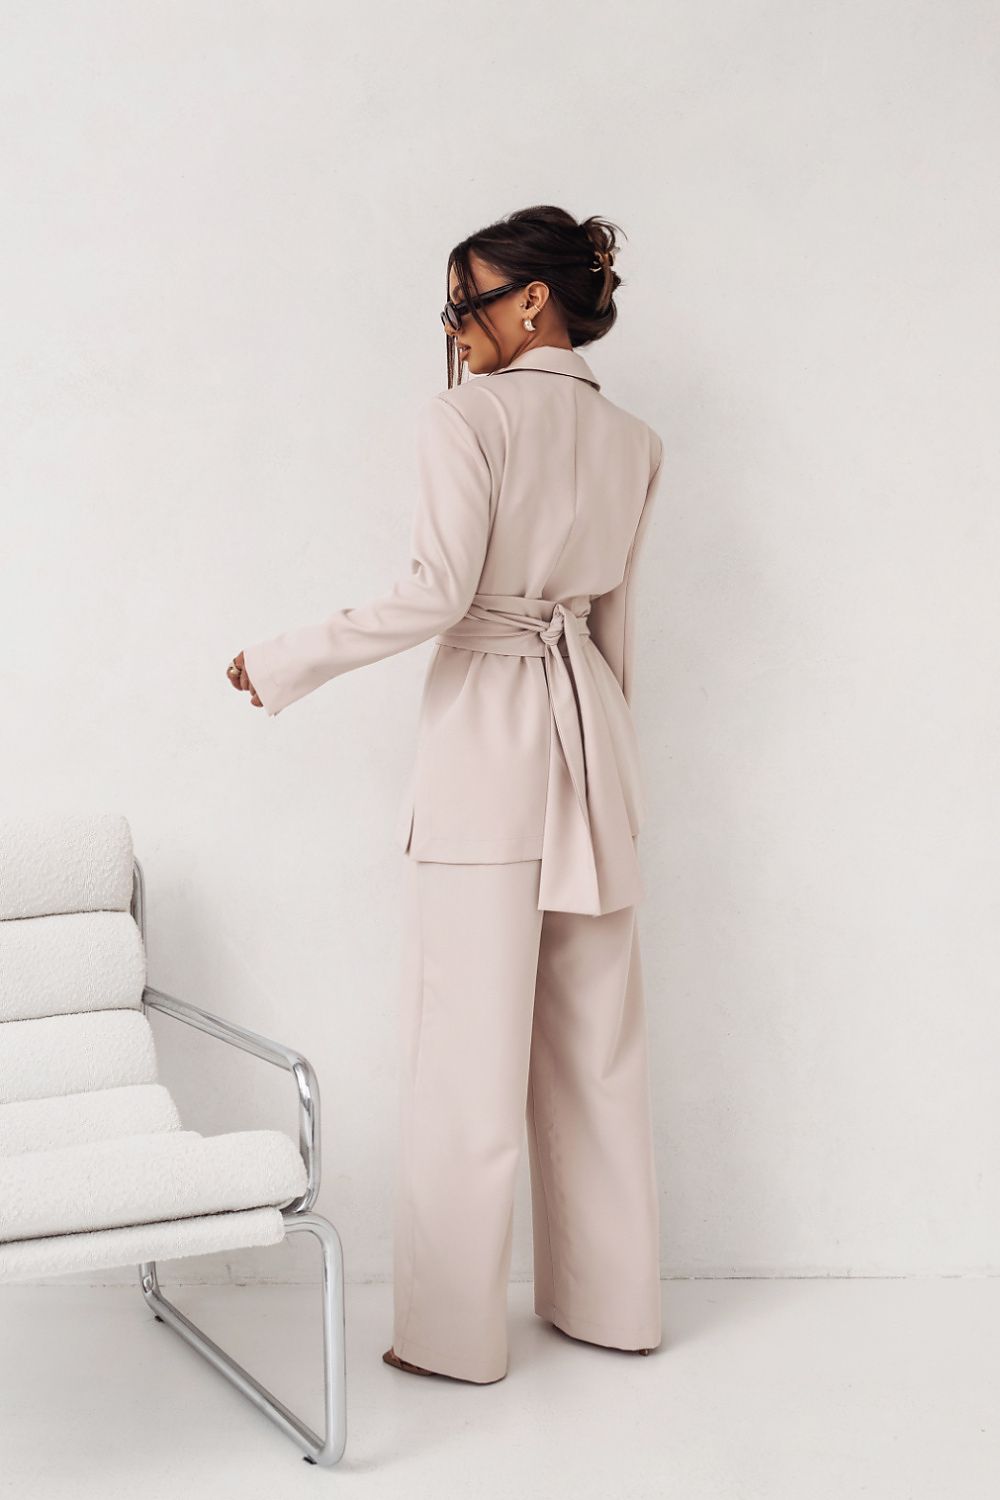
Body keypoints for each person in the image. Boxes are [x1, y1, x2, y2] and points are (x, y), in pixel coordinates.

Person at [227, 204, 665, 1385]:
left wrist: (282, 659)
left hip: (489, 744)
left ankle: (453, 1338)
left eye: (467, 301)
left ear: (534, 302)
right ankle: (615, 1308)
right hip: (593, 749)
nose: (453, 326)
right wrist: (615, 778)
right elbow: (616, 631)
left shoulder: (464, 420)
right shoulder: (632, 439)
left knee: (463, 1051)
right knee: (596, 1047)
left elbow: (434, 593)